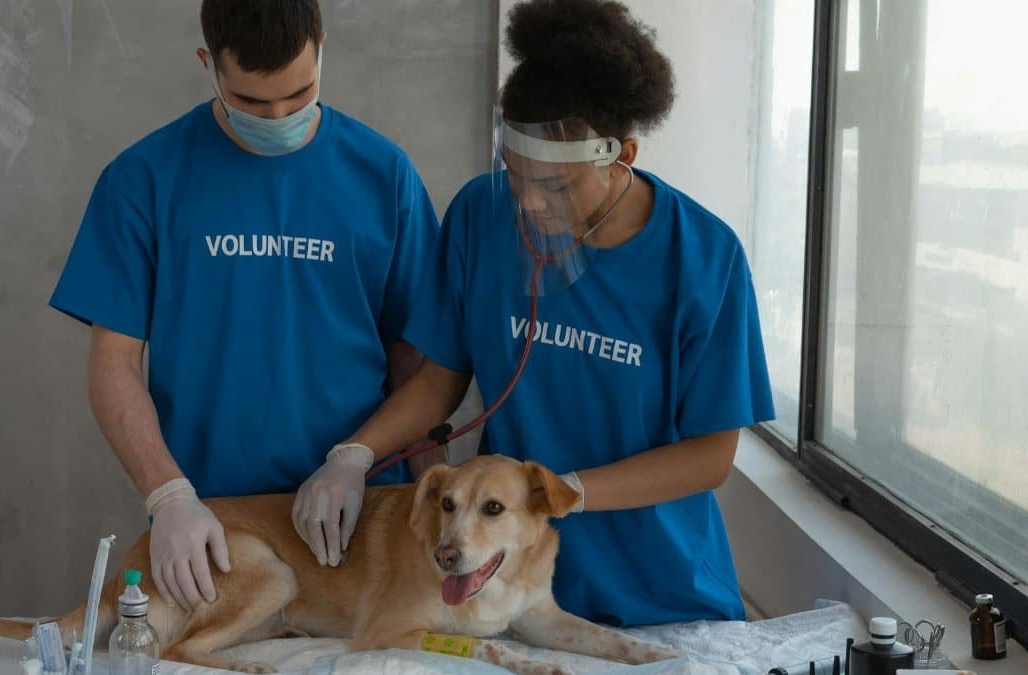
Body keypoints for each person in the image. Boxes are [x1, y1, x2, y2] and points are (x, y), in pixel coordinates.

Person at [294, 0, 775, 626]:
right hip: (513, 589)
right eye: (515, 175)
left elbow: (711, 457)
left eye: (555, 186)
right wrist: (353, 455)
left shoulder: (704, 260)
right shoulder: (480, 216)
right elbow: (440, 380)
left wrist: (568, 494)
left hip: (662, 592)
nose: (528, 205)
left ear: (621, 156)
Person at [49, 0, 438, 613]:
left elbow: (420, 368)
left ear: (322, 48)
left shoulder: (384, 176)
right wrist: (168, 496)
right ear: (209, 64)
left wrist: (409, 492)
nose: (280, 115)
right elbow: (114, 364)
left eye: (300, 93)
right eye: (254, 103)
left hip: (360, 524)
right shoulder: (143, 180)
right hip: (217, 532)